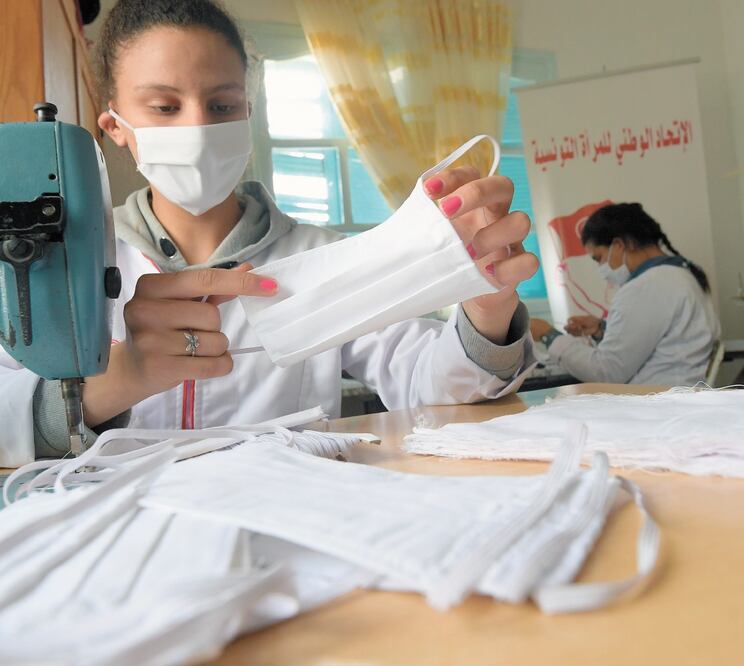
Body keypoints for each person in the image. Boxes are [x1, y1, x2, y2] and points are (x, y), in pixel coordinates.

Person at [0, 0, 539, 465]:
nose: (198, 128)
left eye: (222, 105)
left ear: (248, 115)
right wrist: (118, 378)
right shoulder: (64, 263)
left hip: (288, 534)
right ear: (115, 126)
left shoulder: (320, 256)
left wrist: (485, 312)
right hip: (124, 547)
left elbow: (431, 384)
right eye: (165, 106)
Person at [529, 202, 720, 385]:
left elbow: (606, 371)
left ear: (619, 245)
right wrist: (601, 330)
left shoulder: (648, 286)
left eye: (599, 258)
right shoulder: (678, 274)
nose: (601, 268)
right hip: (677, 397)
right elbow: (655, 344)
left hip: (661, 406)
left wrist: (548, 335)